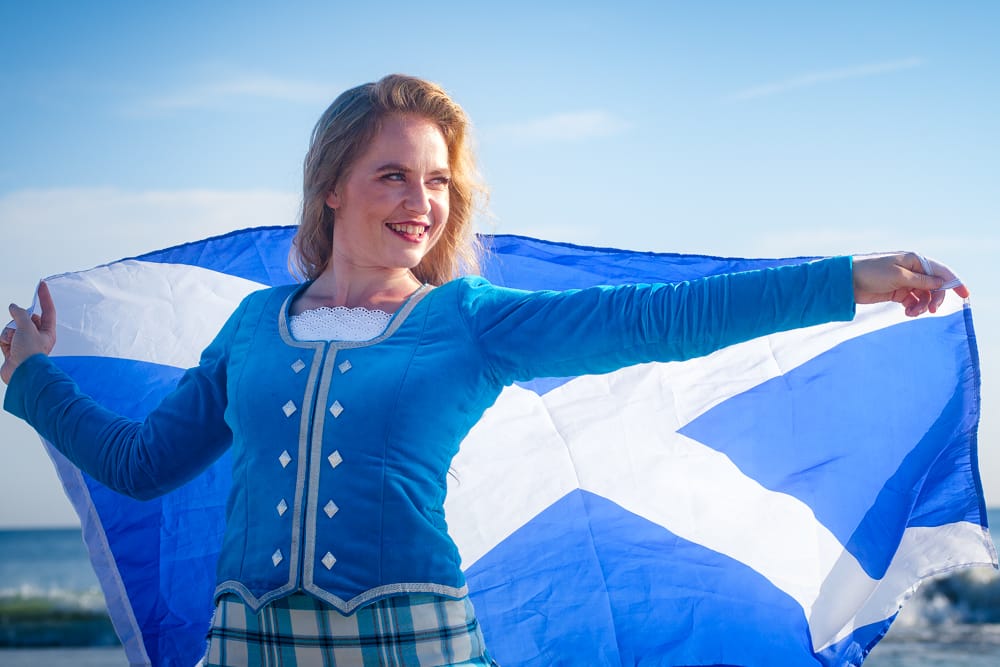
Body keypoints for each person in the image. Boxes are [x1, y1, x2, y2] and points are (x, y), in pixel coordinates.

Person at [0, 74, 970, 667]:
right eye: (392, 174)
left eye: (436, 180)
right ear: (331, 184)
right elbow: (139, 462)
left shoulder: (469, 321)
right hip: (255, 647)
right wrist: (33, 380)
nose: (420, 200)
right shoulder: (255, 326)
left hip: (413, 643)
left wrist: (851, 280)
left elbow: (659, 318)